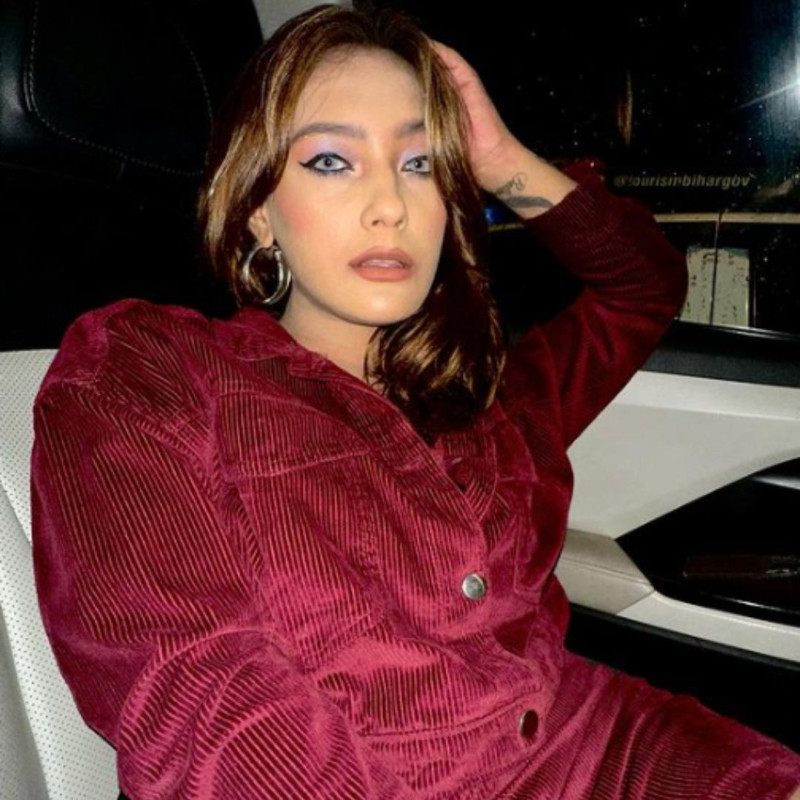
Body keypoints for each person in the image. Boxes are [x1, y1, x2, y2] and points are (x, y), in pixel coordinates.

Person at [31, 5, 800, 800]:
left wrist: (502, 161)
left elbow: (646, 287)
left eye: (420, 163)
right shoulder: (150, 369)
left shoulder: (494, 397)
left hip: (597, 750)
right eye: (332, 161)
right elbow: (197, 689)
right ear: (258, 207)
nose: (390, 204)